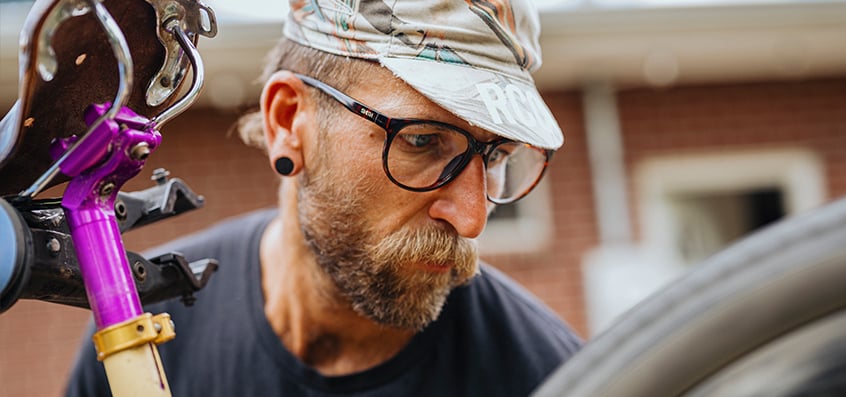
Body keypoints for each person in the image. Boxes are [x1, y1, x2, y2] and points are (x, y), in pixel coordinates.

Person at [65, 0, 582, 395]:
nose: (472, 218)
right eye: (422, 141)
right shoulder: (140, 323)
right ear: (289, 122)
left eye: (494, 157)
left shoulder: (549, 377)